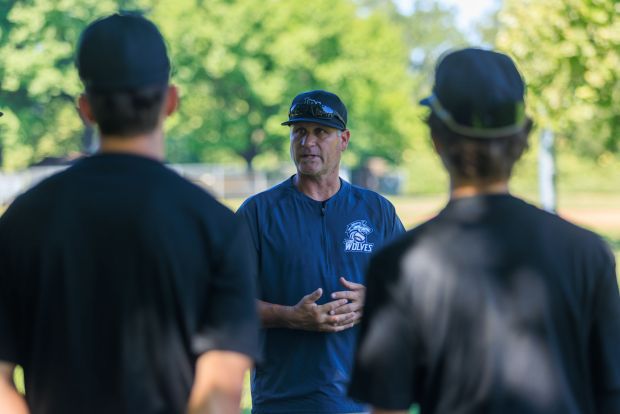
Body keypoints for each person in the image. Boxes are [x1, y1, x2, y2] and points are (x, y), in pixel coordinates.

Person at [0, 13, 259, 414]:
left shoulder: (23, 219)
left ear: (85, 108)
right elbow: (219, 396)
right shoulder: (216, 225)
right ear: (171, 101)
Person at [348, 48, 620, 414]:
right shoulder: (587, 252)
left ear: (436, 138)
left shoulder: (400, 265)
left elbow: (388, 409)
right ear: (522, 140)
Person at [237, 89, 405, 413]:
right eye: (299, 131)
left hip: (360, 403)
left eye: (320, 132)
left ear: (344, 139)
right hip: (281, 403)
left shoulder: (377, 212)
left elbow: (413, 292)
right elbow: (225, 303)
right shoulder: (257, 214)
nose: (307, 142)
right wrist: (288, 317)